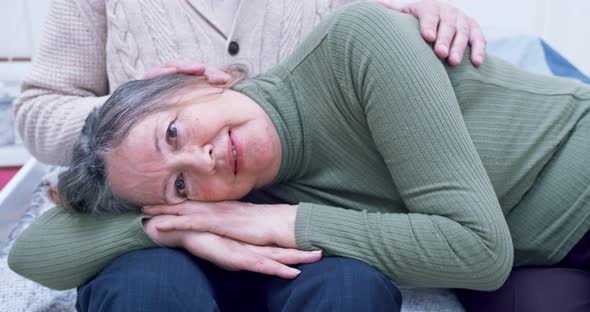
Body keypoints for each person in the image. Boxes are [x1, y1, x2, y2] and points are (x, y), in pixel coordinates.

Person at [11, 2, 590, 312]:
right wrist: (181, 227)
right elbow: (33, 254)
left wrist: (264, 221)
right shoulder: (248, 184)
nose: (204, 160)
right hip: (537, 252)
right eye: (181, 186)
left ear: (196, 76)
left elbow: (477, 251)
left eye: (173, 133)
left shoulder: (357, 40)